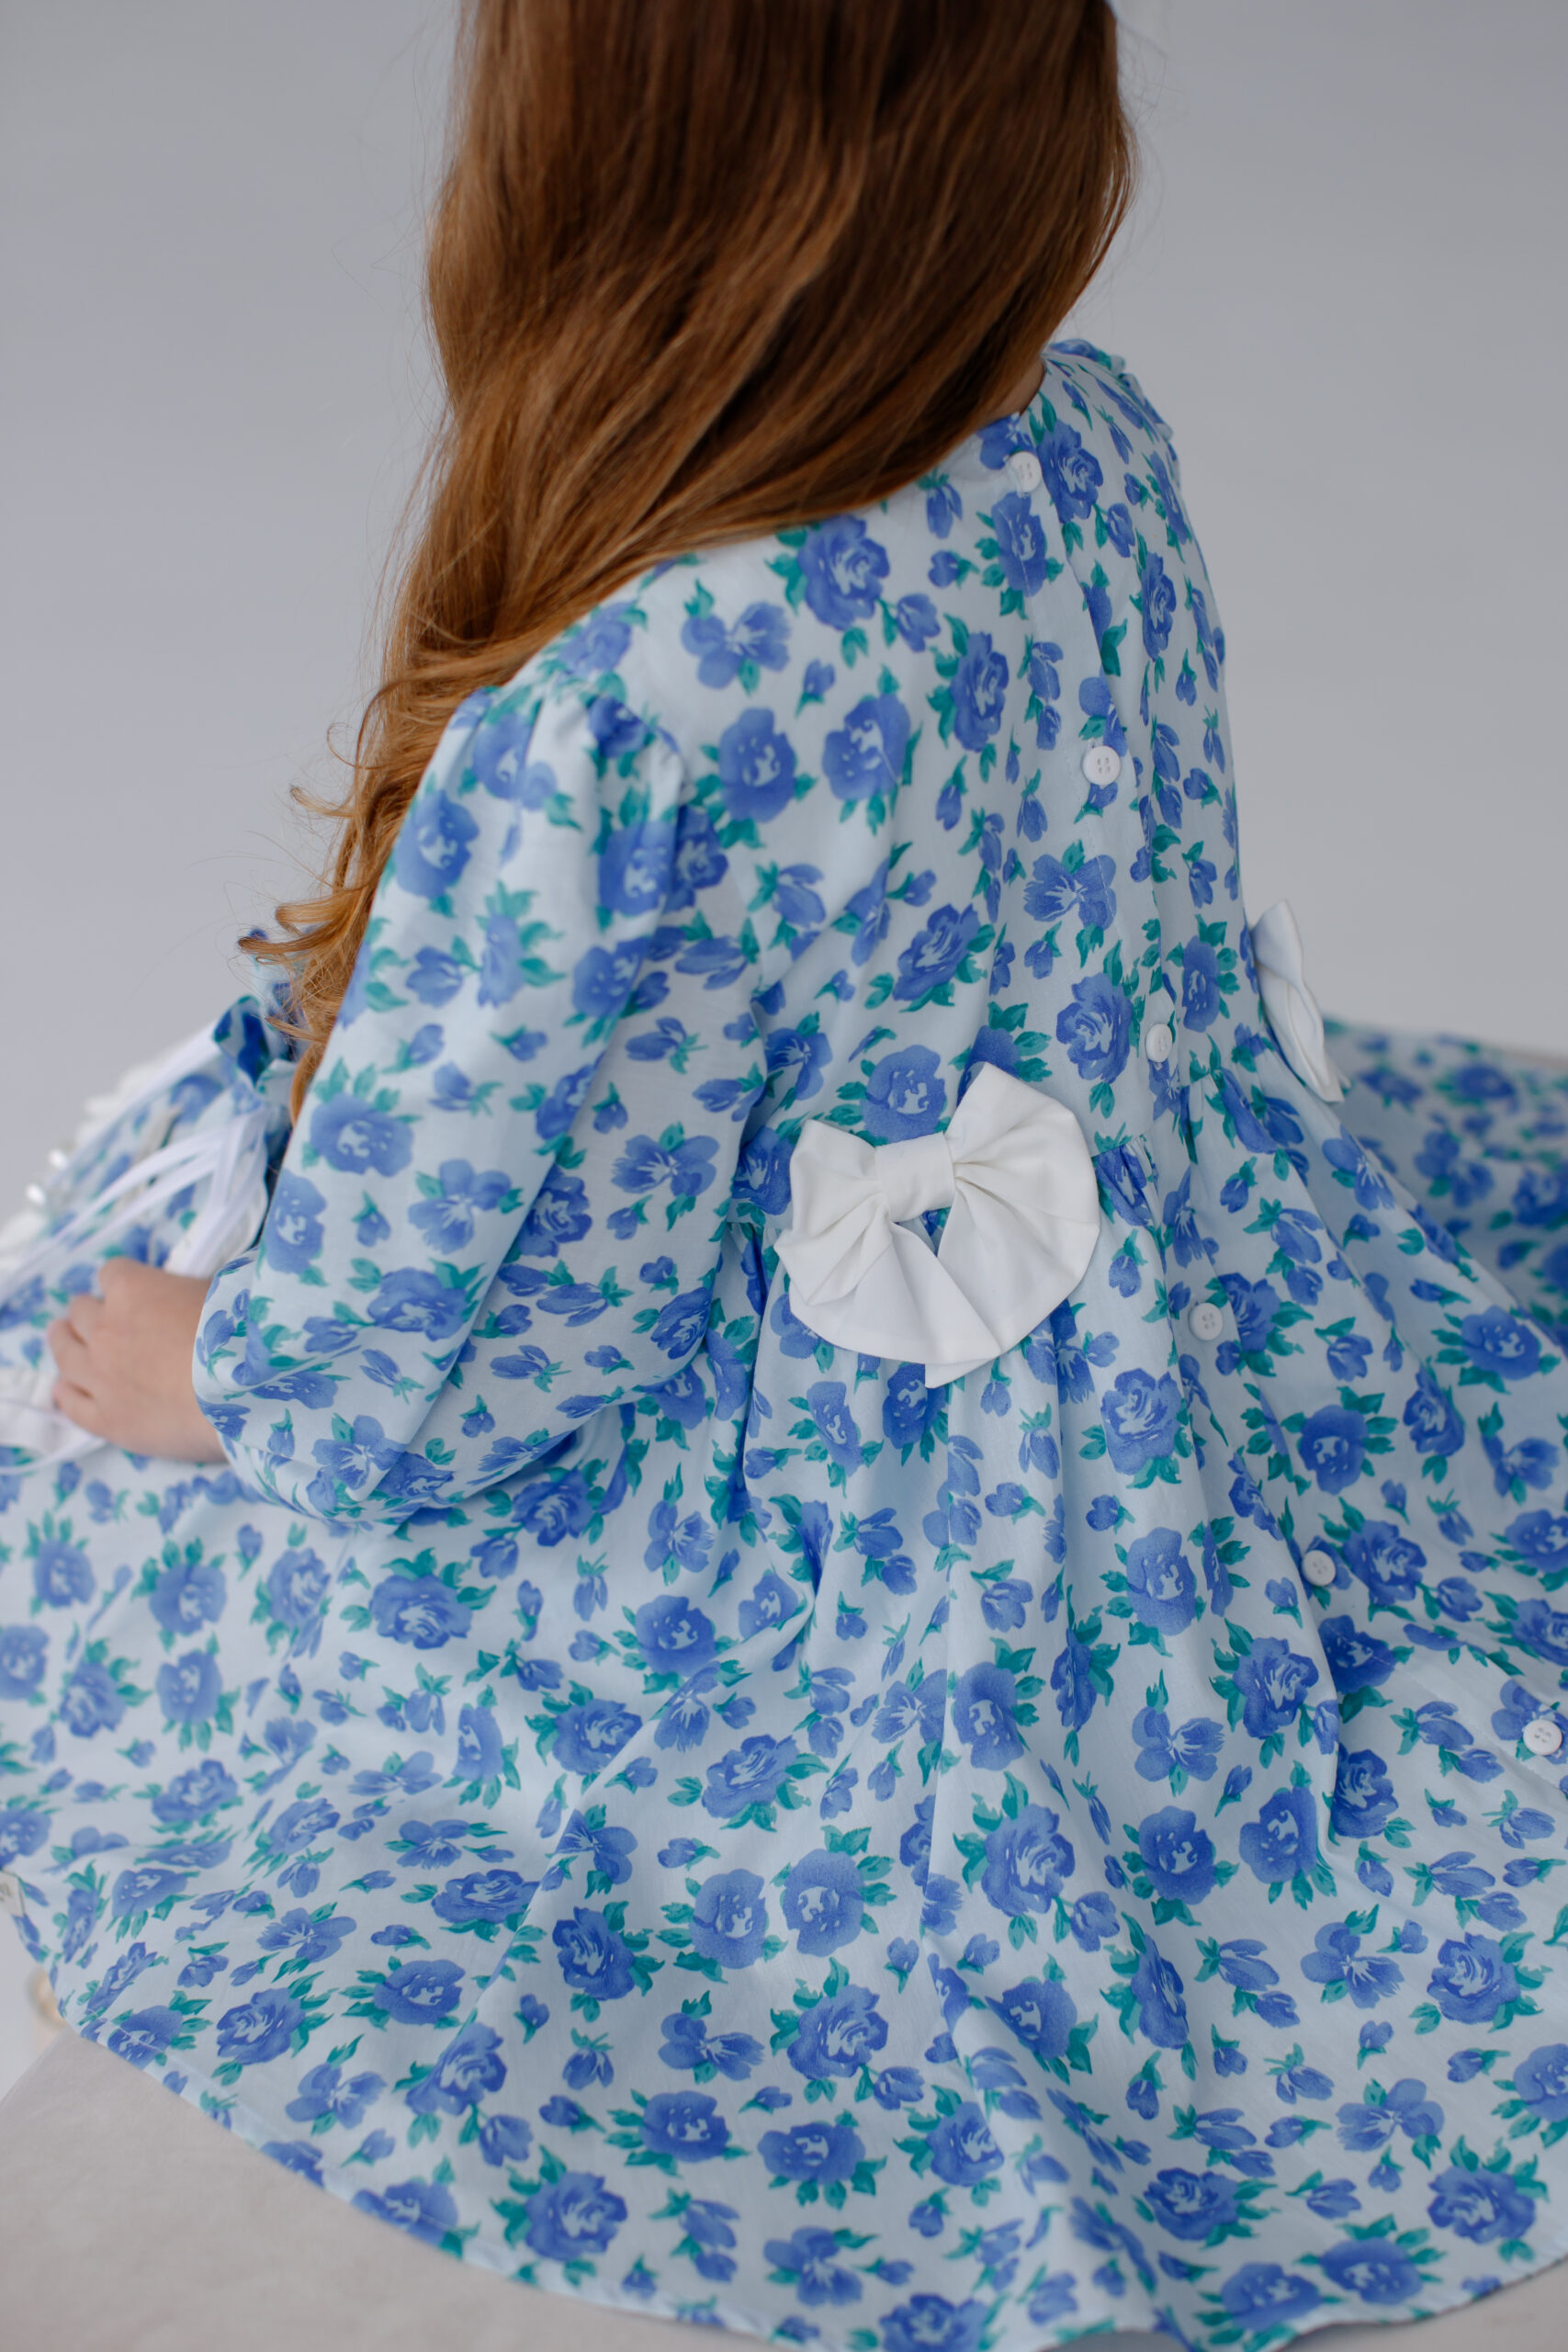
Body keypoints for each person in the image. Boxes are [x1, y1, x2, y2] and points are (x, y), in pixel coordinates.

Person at [2, 3, 1566, 2346]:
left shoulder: (618, 718)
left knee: (106, 1424)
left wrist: (225, 1376)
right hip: (1141, 1372)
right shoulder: (1090, 448)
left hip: (828, 1538)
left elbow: (489, 1336)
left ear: (583, 153)